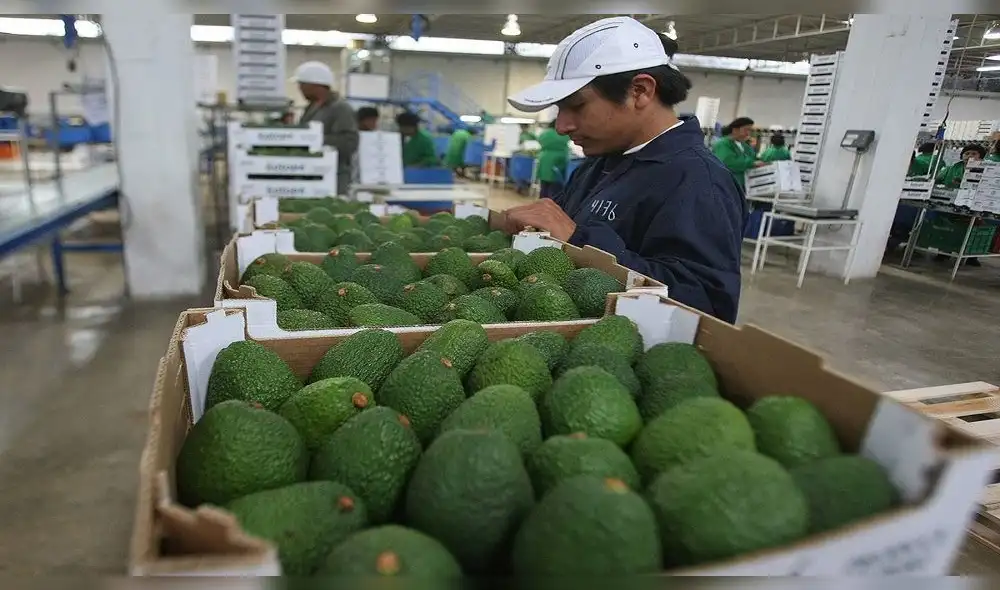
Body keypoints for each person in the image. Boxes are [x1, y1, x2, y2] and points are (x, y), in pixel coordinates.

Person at [503, 17, 747, 323]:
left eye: (576, 106)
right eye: (558, 110)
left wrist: (580, 240)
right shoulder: (597, 165)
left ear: (640, 91)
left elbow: (706, 308)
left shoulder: (698, 182)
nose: (562, 126)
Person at [292, 61, 358, 196]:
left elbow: (349, 142)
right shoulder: (311, 108)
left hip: (333, 179)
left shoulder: (340, 109)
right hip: (311, 176)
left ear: (315, 85)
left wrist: (312, 140)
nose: (300, 89)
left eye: (302, 85)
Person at [712, 117, 764, 188]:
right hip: (728, 185)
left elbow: (752, 158)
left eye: (750, 130)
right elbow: (728, 162)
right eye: (746, 130)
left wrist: (761, 162)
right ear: (735, 129)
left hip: (744, 186)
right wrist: (752, 163)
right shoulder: (723, 144)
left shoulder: (745, 146)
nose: (748, 133)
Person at [536, 122, 570, 199]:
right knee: (556, 187)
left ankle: (541, 204)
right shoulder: (563, 134)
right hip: (559, 159)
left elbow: (539, 140)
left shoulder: (545, 133)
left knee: (544, 186)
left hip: (545, 159)